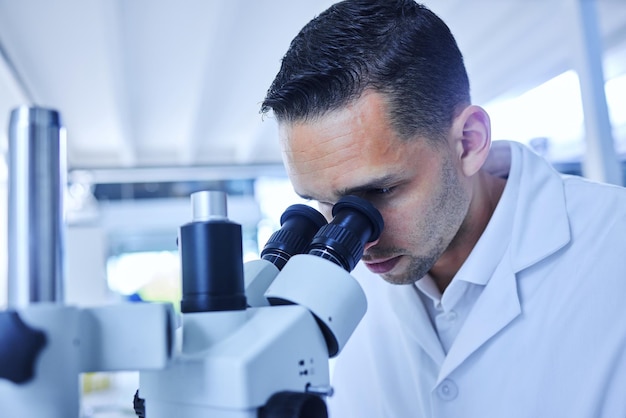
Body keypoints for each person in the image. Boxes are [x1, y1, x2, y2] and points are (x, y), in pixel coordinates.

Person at [261, 1, 626, 417]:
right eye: (322, 203)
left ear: (469, 141)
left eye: (379, 190)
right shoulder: (342, 292)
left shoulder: (615, 250)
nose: (357, 241)